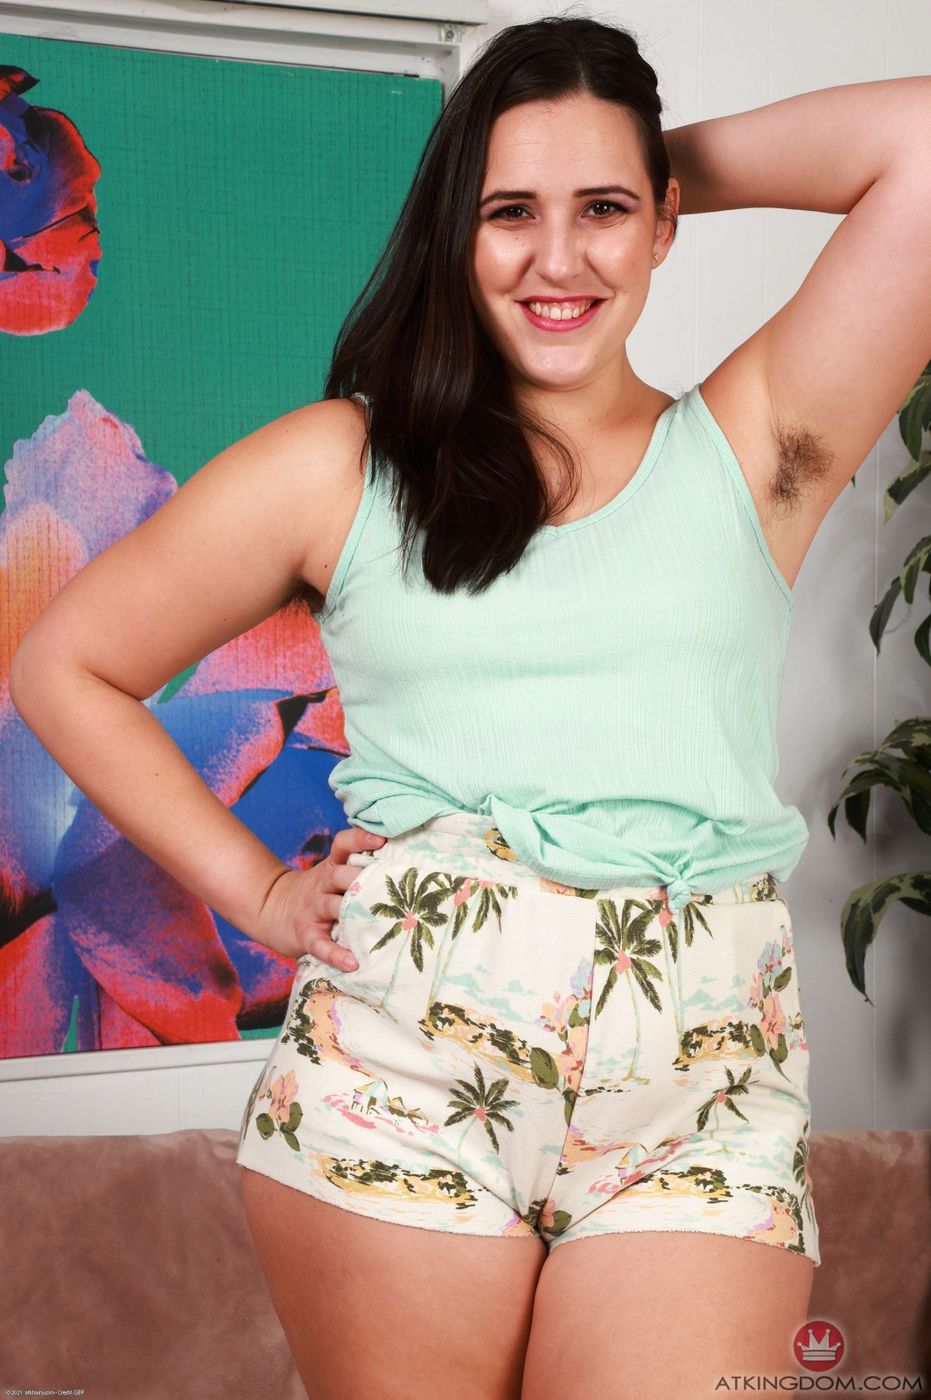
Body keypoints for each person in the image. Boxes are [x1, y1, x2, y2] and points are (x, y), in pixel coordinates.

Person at [9, 13, 931, 1398]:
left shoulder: (755, 448)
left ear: (665, 221)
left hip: (702, 1107)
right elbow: (63, 667)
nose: (558, 259)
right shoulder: (342, 467)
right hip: (398, 1085)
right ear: (456, 229)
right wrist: (262, 894)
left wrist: (646, 158)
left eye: (603, 211)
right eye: (508, 212)